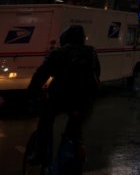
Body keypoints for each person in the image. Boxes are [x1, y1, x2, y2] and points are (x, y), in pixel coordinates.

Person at [27, 25, 101, 167]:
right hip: (84, 101)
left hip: (60, 98)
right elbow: (97, 74)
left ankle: (39, 155)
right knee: (75, 128)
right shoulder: (91, 53)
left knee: (45, 121)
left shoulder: (58, 53)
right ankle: (76, 147)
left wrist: (31, 95)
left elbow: (40, 76)